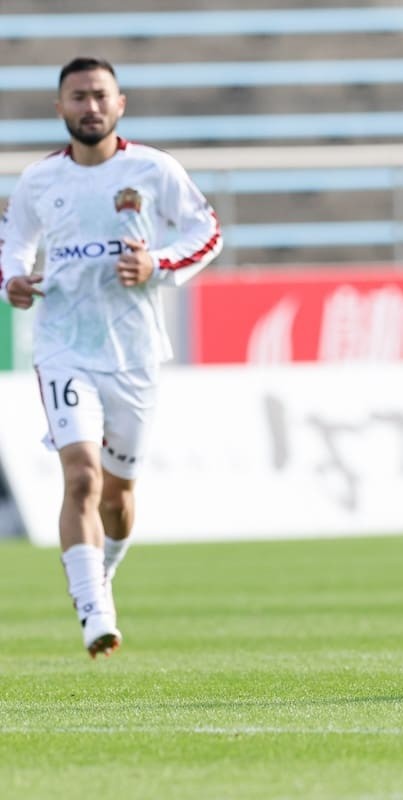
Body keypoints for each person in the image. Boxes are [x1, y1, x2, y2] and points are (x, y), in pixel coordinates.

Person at [0, 57, 223, 658]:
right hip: (63, 346)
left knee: (118, 499)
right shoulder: (39, 182)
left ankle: (100, 573)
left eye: (100, 95)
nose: (89, 106)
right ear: (60, 109)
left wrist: (159, 264)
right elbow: (12, 245)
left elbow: (206, 231)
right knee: (80, 475)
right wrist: (14, 281)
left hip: (136, 354)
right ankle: (94, 611)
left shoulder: (153, 170)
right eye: (78, 97)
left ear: (119, 104)